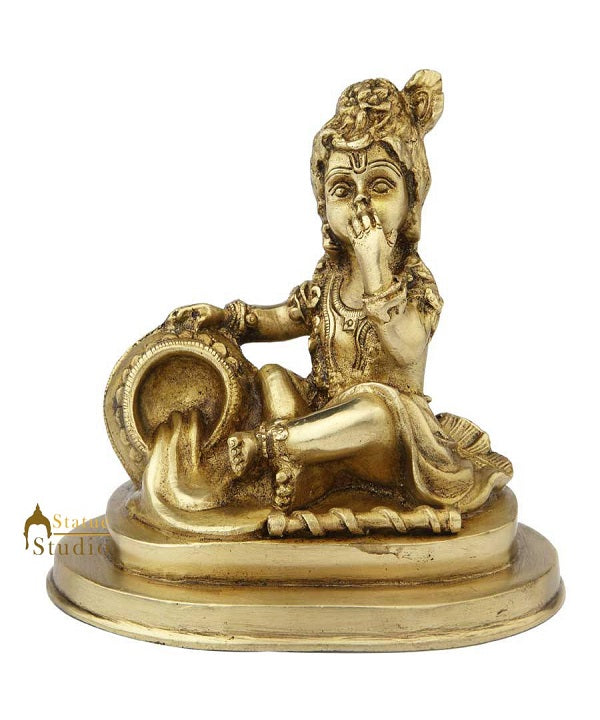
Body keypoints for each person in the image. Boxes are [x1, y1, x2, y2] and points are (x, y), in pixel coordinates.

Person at [168, 72, 512, 514]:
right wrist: (226, 318)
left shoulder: (413, 284)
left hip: (386, 442)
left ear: (411, 202)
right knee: (272, 376)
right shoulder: (328, 281)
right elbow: (281, 318)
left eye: (380, 187)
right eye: (343, 190)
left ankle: (272, 446)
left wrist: (375, 269)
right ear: (323, 206)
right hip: (323, 422)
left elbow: (407, 347)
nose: (361, 204)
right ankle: (300, 465)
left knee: (376, 409)